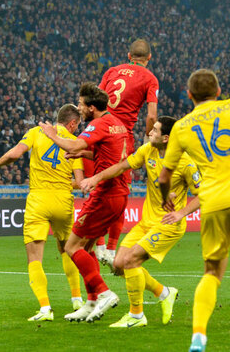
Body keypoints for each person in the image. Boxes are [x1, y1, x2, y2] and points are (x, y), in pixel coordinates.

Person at [158, 69, 230, 352]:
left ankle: (198, 336)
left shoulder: (182, 126)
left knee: (211, 272)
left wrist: (166, 199)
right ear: (219, 91)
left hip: (211, 202)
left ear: (189, 95)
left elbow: (164, 177)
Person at [81, 116, 201, 328]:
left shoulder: (185, 163)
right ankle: (164, 292)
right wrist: (96, 178)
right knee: (118, 265)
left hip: (168, 224)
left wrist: (182, 213)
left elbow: (204, 194)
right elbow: (120, 167)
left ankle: (136, 316)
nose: (149, 133)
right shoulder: (148, 151)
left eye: (154, 130)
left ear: (166, 138)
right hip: (147, 222)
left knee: (131, 261)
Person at [39, 82, 129, 323]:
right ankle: (90, 303)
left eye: (80, 104)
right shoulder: (117, 123)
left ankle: (105, 293)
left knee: (71, 247)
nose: (79, 108)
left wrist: (53, 135)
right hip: (120, 193)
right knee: (87, 249)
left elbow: (74, 143)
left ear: (91, 107)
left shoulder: (98, 124)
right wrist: (85, 154)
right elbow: (111, 155)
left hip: (105, 195)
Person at [0, 104, 85, 321]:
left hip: (38, 200)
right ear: (72, 123)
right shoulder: (76, 143)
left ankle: (45, 309)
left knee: (34, 257)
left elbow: (15, 154)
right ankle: (77, 299)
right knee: (67, 249)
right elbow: (80, 182)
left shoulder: (36, 132)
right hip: (63, 201)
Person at [93, 38, 160, 266]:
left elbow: (96, 100)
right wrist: (147, 140)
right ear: (149, 58)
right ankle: (110, 249)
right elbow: (151, 115)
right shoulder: (150, 78)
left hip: (99, 129)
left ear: (129, 56)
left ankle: (99, 244)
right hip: (122, 135)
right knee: (120, 192)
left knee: (99, 186)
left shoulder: (112, 71)